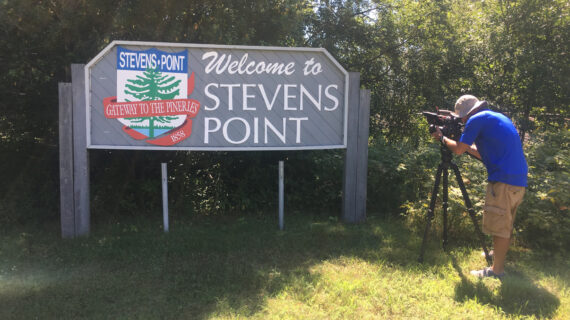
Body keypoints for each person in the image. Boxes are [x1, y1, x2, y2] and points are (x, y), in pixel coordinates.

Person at [431, 94, 528, 279]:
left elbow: (458, 150)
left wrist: (443, 138)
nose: (463, 121)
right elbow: (480, 154)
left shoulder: (476, 119)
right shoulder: (496, 117)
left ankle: (496, 271)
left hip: (503, 181)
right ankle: (495, 256)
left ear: (467, 114)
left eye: (462, 119)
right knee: (503, 223)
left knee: (499, 225)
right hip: (517, 180)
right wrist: (465, 144)